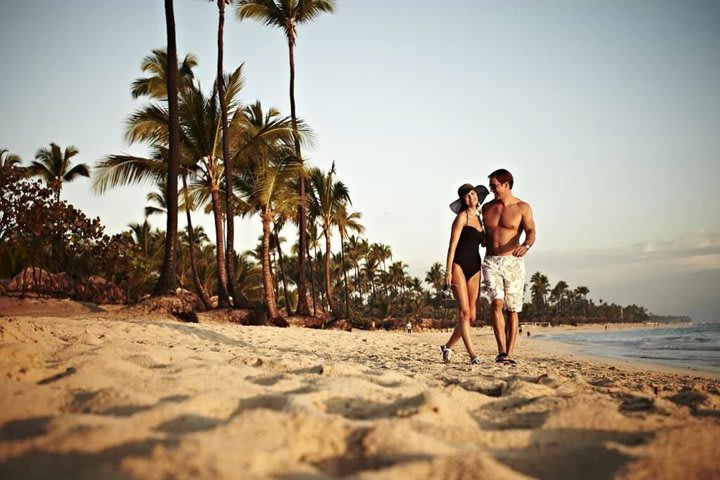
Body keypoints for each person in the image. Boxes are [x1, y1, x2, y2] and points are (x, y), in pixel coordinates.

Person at [481, 169, 536, 365]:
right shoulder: (486, 208)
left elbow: (531, 232)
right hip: (490, 261)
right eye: (490, 186)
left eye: (494, 186)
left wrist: (526, 246)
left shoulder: (522, 207)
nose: (492, 189)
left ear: (506, 185)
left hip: (513, 262)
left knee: (512, 310)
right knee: (496, 302)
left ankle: (509, 354)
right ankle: (501, 351)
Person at [440, 183, 490, 365]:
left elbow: (484, 243)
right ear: (463, 200)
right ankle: (473, 355)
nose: (471, 198)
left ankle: (447, 346)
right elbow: (452, 246)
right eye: (467, 197)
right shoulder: (461, 218)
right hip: (459, 265)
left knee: (472, 316)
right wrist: (448, 272)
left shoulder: (481, 219)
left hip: (475, 266)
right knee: (464, 312)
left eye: (473, 194)